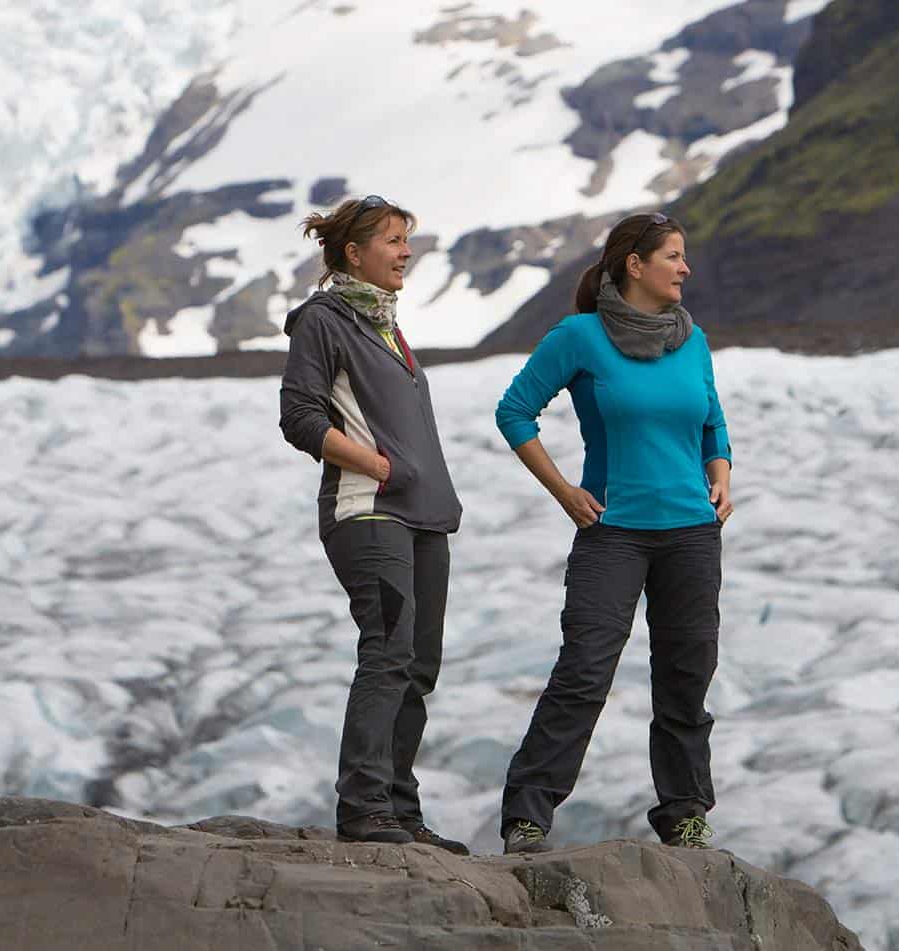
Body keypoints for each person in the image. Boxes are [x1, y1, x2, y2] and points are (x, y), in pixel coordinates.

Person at [493, 211, 733, 854]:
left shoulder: (693, 338)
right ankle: (527, 814)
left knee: (686, 678)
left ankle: (684, 812)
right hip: (613, 532)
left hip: (691, 534)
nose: (685, 268)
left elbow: (712, 420)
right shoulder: (580, 337)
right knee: (584, 671)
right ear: (635, 263)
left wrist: (721, 474)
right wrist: (565, 491)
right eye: (674, 256)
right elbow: (514, 412)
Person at [278, 195, 467, 853]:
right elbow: (300, 416)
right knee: (388, 650)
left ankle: (399, 809)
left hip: (423, 517)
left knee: (418, 663)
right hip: (368, 510)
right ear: (353, 252)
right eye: (391, 240)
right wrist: (378, 464)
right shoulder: (325, 322)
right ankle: (363, 807)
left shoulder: (385, 323)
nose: (405, 251)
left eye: (405, 240)